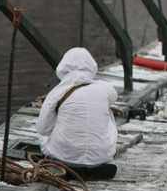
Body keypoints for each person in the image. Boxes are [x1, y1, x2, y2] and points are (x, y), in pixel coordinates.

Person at [37, 47, 118, 180]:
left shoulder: (57, 92)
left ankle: (66, 166)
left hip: (65, 157)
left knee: (44, 133)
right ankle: (94, 165)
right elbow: (114, 97)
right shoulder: (105, 88)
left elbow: (42, 129)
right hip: (100, 157)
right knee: (107, 110)